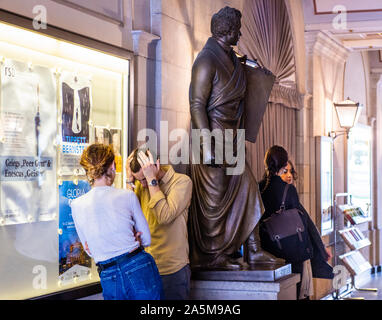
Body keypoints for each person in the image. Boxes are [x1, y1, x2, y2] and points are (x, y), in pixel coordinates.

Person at [188, 6, 279, 270]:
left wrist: (253, 68)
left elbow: (250, 83)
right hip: (210, 140)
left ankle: (254, 250)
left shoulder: (232, 59)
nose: (240, 33)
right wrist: (206, 147)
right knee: (214, 203)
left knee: (249, 190)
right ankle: (213, 256)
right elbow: (196, 105)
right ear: (226, 31)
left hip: (231, 140)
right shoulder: (206, 60)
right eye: (237, 29)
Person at [70, 144, 163, 300]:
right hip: (138, 266)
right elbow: (146, 239)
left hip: (108, 274)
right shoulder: (127, 196)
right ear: (112, 166)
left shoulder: (76, 205)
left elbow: (90, 250)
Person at [259, 146, 334, 300]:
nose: (289, 175)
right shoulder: (288, 190)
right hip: (291, 251)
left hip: (267, 251)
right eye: (286, 170)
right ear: (283, 163)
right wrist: (317, 248)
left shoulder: (258, 188)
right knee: (296, 292)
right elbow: (302, 223)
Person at [126, 148, 193, 300]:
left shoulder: (181, 182)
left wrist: (151, 180)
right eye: (138, 180)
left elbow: (164, 216)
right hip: (145, 268)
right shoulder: (140, 185)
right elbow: (125, 217)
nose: (142, 185)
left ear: (156, 165)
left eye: (143, 179)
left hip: (173, 270)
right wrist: (129, 181)